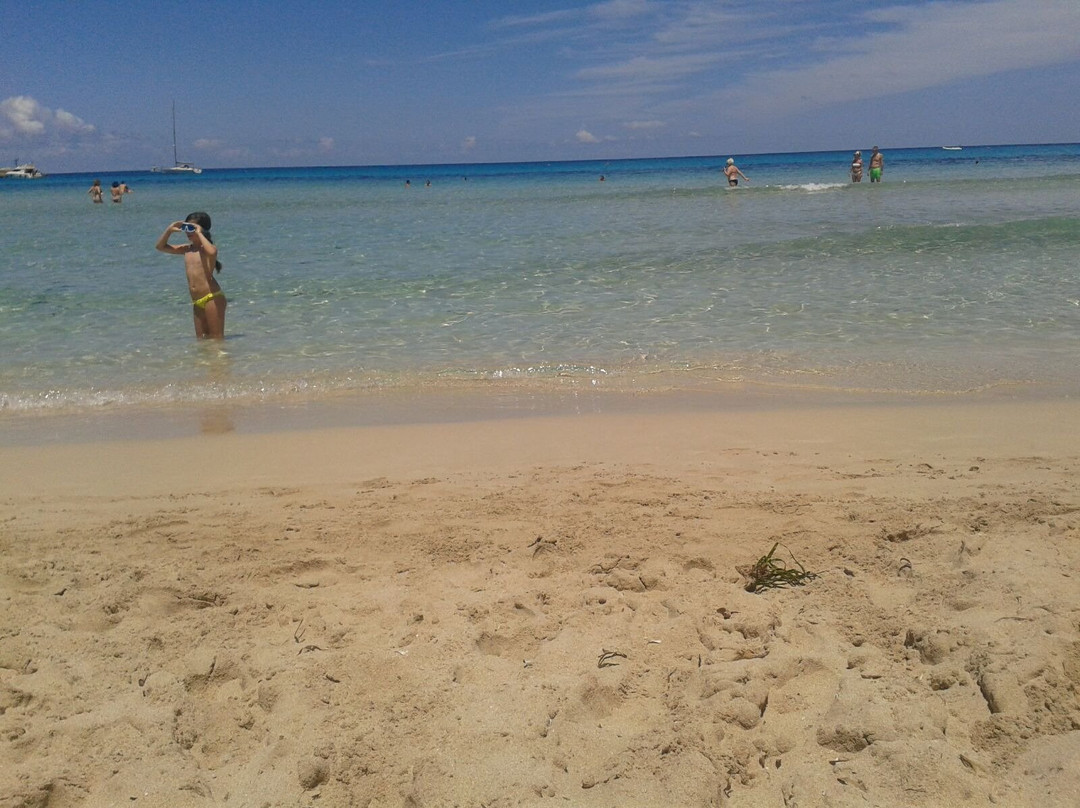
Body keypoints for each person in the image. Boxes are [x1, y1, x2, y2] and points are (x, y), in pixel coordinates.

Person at [155, 212, 227, 339]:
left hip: (212, 297)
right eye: (185, 228)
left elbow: (212, 251)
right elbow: (160, 247)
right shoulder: (187, 249)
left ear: (202, 229)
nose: (187, 232)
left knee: (216, 339)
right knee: (202, 339)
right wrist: (169, 229)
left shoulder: (205, 250)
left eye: (191, 228)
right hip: (197, 301)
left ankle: (220, 359)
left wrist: (199, 233)